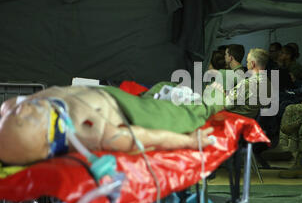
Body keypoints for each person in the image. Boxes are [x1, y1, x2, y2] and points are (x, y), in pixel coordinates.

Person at [0, 85, 218, 165]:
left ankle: (160, 94)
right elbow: (145, 137)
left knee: (161, 93)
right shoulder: (92, 133)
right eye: (23, 120)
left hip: (110, 98)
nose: (23, 109)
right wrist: (189, 140)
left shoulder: (15, 108)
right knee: (190, 115)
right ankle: (221, 97)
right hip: (130, 112)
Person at [209, 48, 271, 119]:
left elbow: (226, 104)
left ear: (253, 64)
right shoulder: (268, 82)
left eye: (247, 61)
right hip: (250, 121)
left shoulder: (247, 84)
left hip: (234, 120)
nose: (246, 64)